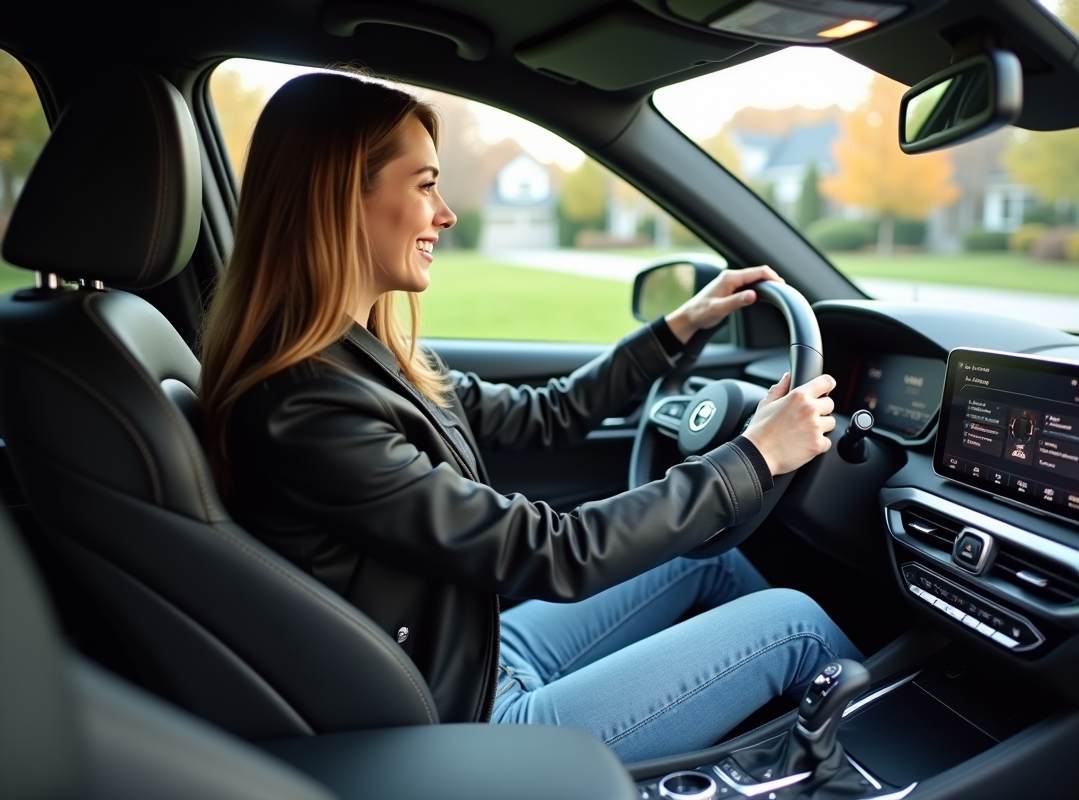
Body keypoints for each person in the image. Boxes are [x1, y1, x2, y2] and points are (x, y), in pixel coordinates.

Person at [199, 71, 861, 763]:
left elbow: (550, 415)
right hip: (466, 720)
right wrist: (754, 458)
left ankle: (792, 751)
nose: (445, 213)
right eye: (424, 184)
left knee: (711, 560)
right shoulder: (310, 409)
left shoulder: (366, 363)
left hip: (475, 654)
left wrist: (681, 325)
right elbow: (548, 552)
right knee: (796, 626)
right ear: (340, 198)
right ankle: (864, 771)